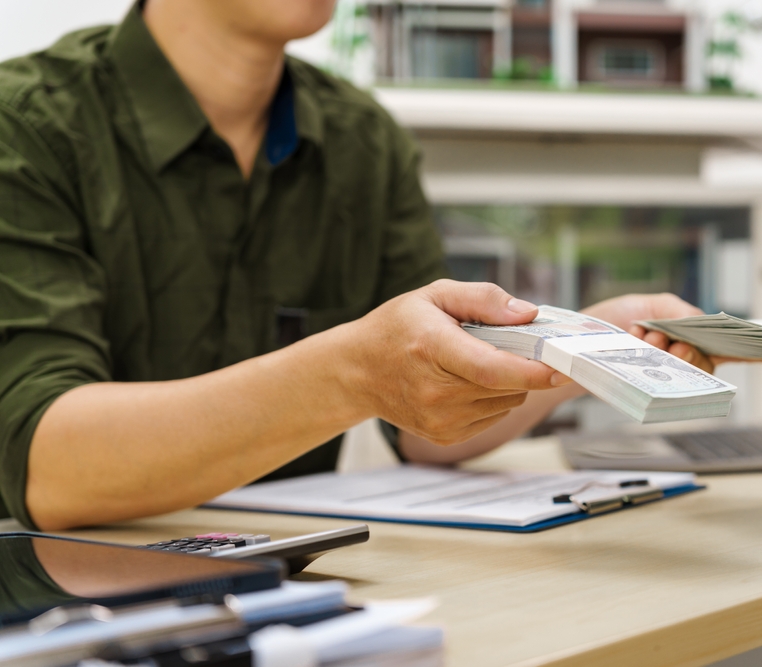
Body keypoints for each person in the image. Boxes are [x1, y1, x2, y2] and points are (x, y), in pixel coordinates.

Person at [0, 0, 715, 532]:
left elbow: (426, 431)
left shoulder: (361, 139)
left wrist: (585, 346)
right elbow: (48, 468)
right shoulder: (27, 126)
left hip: (305, 591)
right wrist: (349, 372)